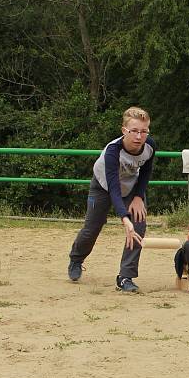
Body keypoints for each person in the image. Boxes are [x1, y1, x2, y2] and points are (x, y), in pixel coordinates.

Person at [68, 106, 155, 292]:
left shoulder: (150, 147)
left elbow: (146, 171)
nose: (139, 137)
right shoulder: (113, 151)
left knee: (138, 226)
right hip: (103, 186)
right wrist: (124, 219)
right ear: (124, 131)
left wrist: (139, 196)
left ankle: (125, 277)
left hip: (131, 187)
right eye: (134, 131)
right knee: (92, 228)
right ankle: (76, 258)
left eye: (144, 131)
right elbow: (114, 188)